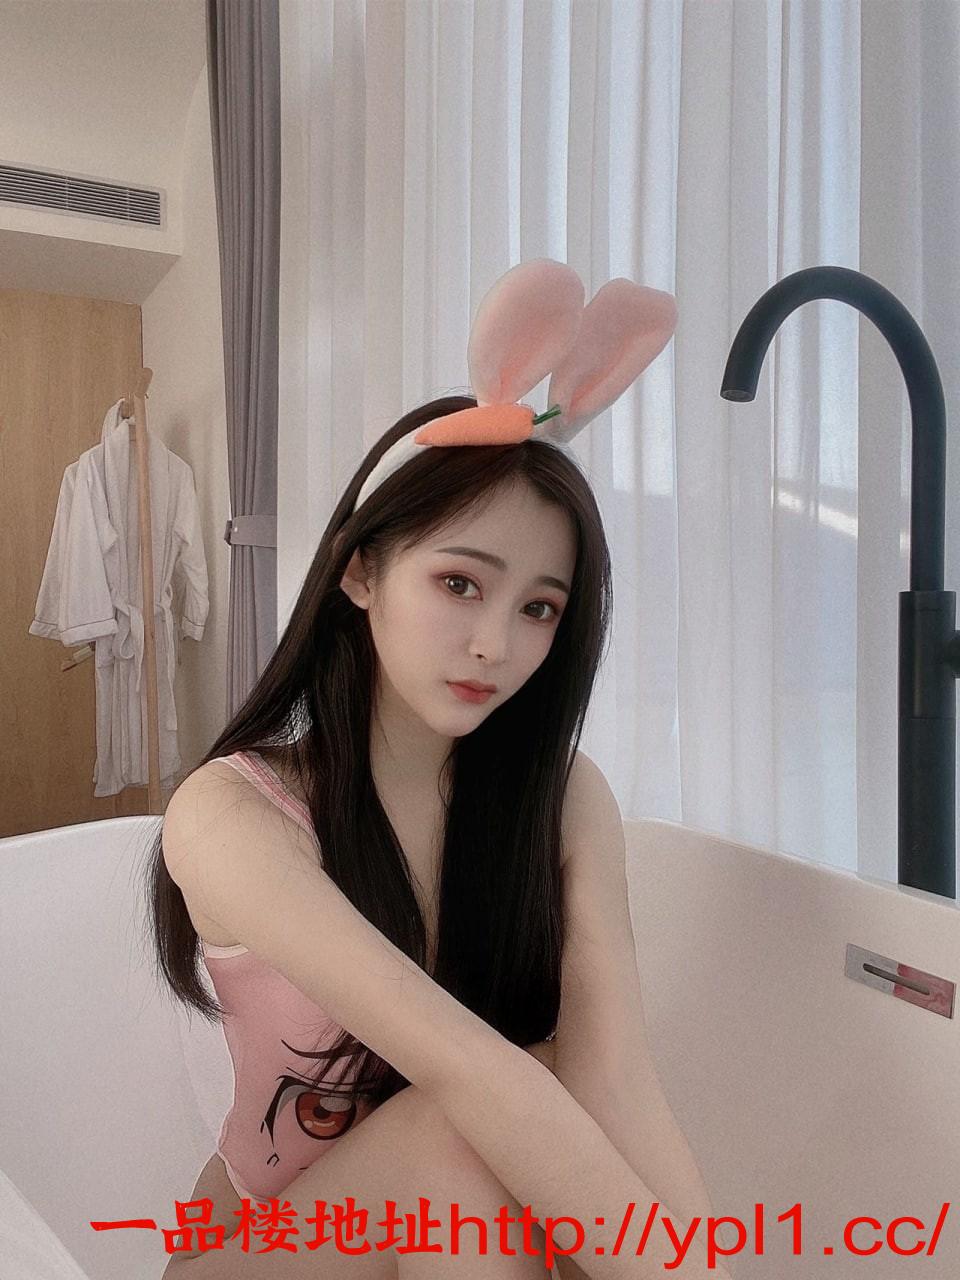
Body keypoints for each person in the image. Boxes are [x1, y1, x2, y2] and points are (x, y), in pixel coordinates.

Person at [145, 260, 731, 1278]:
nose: (495, 644)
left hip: (449, 1244)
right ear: (361, 571)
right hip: (260, 1254)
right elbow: (464, 1068)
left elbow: (615, 1074)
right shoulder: (235, 813)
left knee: (550, 1088)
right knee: (465, 1121)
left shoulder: (564, 798)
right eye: (461, 583)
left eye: (538, 607)